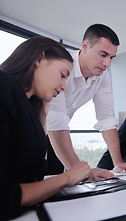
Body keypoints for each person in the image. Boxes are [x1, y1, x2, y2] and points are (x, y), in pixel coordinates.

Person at [0, 37, 91, 219]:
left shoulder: (28, 107)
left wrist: (44, 108)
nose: (64, 87)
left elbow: (34, 176)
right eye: (63, 75)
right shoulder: (3, 87)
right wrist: (67, 178)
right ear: (39, 59)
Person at [46, 24, 126, 179]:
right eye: (103, 54)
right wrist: (82, 173)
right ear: (85, 46)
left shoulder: (102, 77)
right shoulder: (61, 66)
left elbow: (106, 118)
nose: (107, 63)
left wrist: (117, 162)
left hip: (56, 136)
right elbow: (55, 119)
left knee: (55, 188)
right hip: (26, 132)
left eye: (111, 58)